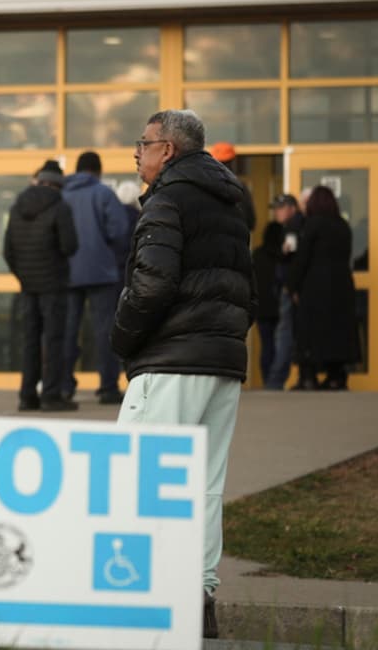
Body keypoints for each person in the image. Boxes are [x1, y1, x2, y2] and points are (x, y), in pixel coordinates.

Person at [112, 109, 254, 640]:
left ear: (167, 149)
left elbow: (150, 286)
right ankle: (198, 600)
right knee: (205, 489)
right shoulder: (230, 203)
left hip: (170, 359)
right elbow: (248, 287)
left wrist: (122, 341)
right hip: (221, 362)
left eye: (142, 143)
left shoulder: (167, 200)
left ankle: (136, 600)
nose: (137, 153)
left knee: (132, 482)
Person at [3, 160, 79, 411]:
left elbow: (8, 250)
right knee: (54, 339)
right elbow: (69, 245)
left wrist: (23, 275)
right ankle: (51, 395)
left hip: (28, 285)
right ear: (59, 183)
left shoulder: (17, 205)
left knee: (30, 340)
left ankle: (27, 395)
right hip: (54, 284)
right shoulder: (60, 206)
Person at [59, 151, 130, 405]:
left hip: (67, 274)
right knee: (104, 331)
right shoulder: (103, 194)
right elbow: (120, 231)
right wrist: (108, 254)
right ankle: (108, 387)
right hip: (101, 272)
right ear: (98, 171)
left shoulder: (62, 195)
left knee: (68, 330)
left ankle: (64, 386)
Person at [286, 185, 359, 390]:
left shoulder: (313, 225)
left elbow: (303, 258)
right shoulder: (343, 225)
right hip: (342, 286)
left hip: (315, 287)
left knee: (310, 331)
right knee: (337, 331)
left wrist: (291, 285)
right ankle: (336, 376)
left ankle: (308, 377)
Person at [265, 193, 303, 390]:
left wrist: (291, 286)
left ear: (292, 208)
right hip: (289, 287)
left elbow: (291, 257)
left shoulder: (294, 228)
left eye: (280, 208)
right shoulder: (290, 227)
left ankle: (276, 379)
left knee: (284, 333)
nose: (277, 212)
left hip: (290, 288)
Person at [251, 222, 285, 386]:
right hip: (279, 307)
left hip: (262, 307)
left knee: (266, 345)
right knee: (281, 346)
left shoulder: (257, 254)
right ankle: (275, 380)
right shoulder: (281, 257)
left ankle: (268, 380)